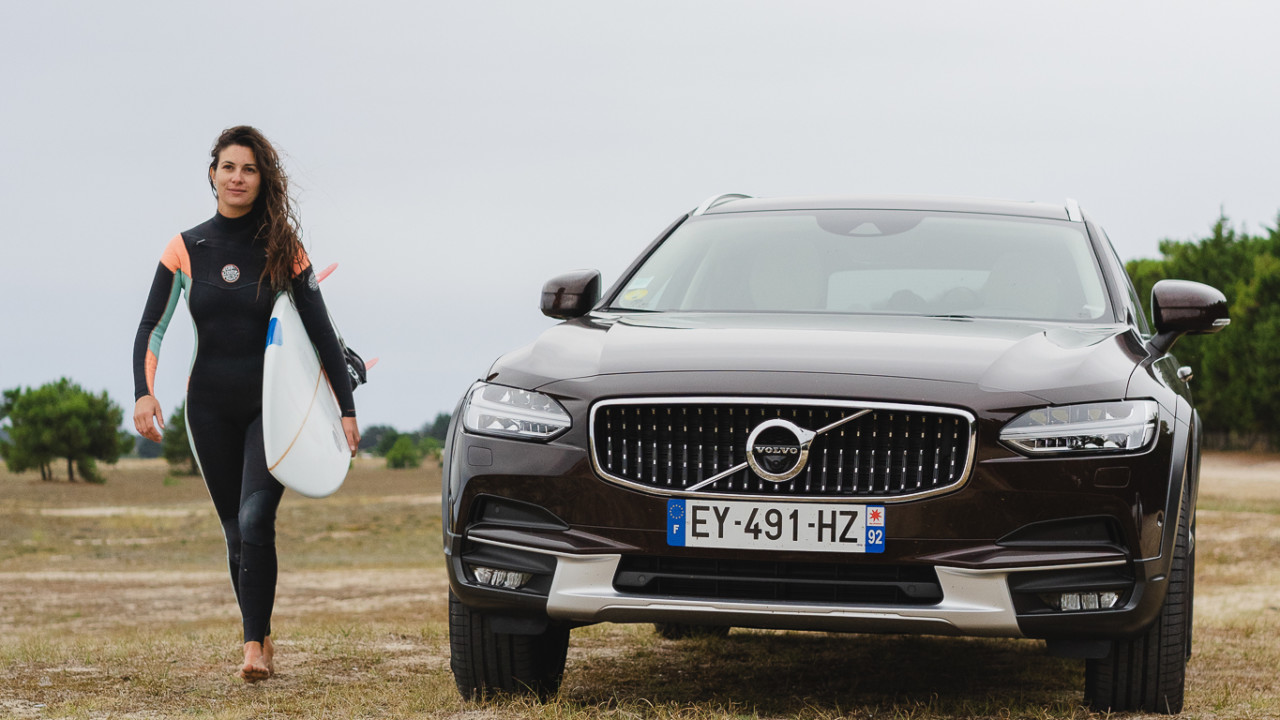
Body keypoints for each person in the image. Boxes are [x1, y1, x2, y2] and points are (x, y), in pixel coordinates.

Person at [131, 126, 359, 682]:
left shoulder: (283, 247)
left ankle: (252, 647)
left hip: (270, 409)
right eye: (229, 167)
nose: (238, 178)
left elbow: (320, 331)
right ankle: (260, 632)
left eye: (249, 169)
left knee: (257, 516)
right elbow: (151, 327)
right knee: (236, 531)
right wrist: (144, 391)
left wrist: (346, 407)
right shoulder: (185, 248)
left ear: (262, 179)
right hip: (208, 406)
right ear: (212, 173)